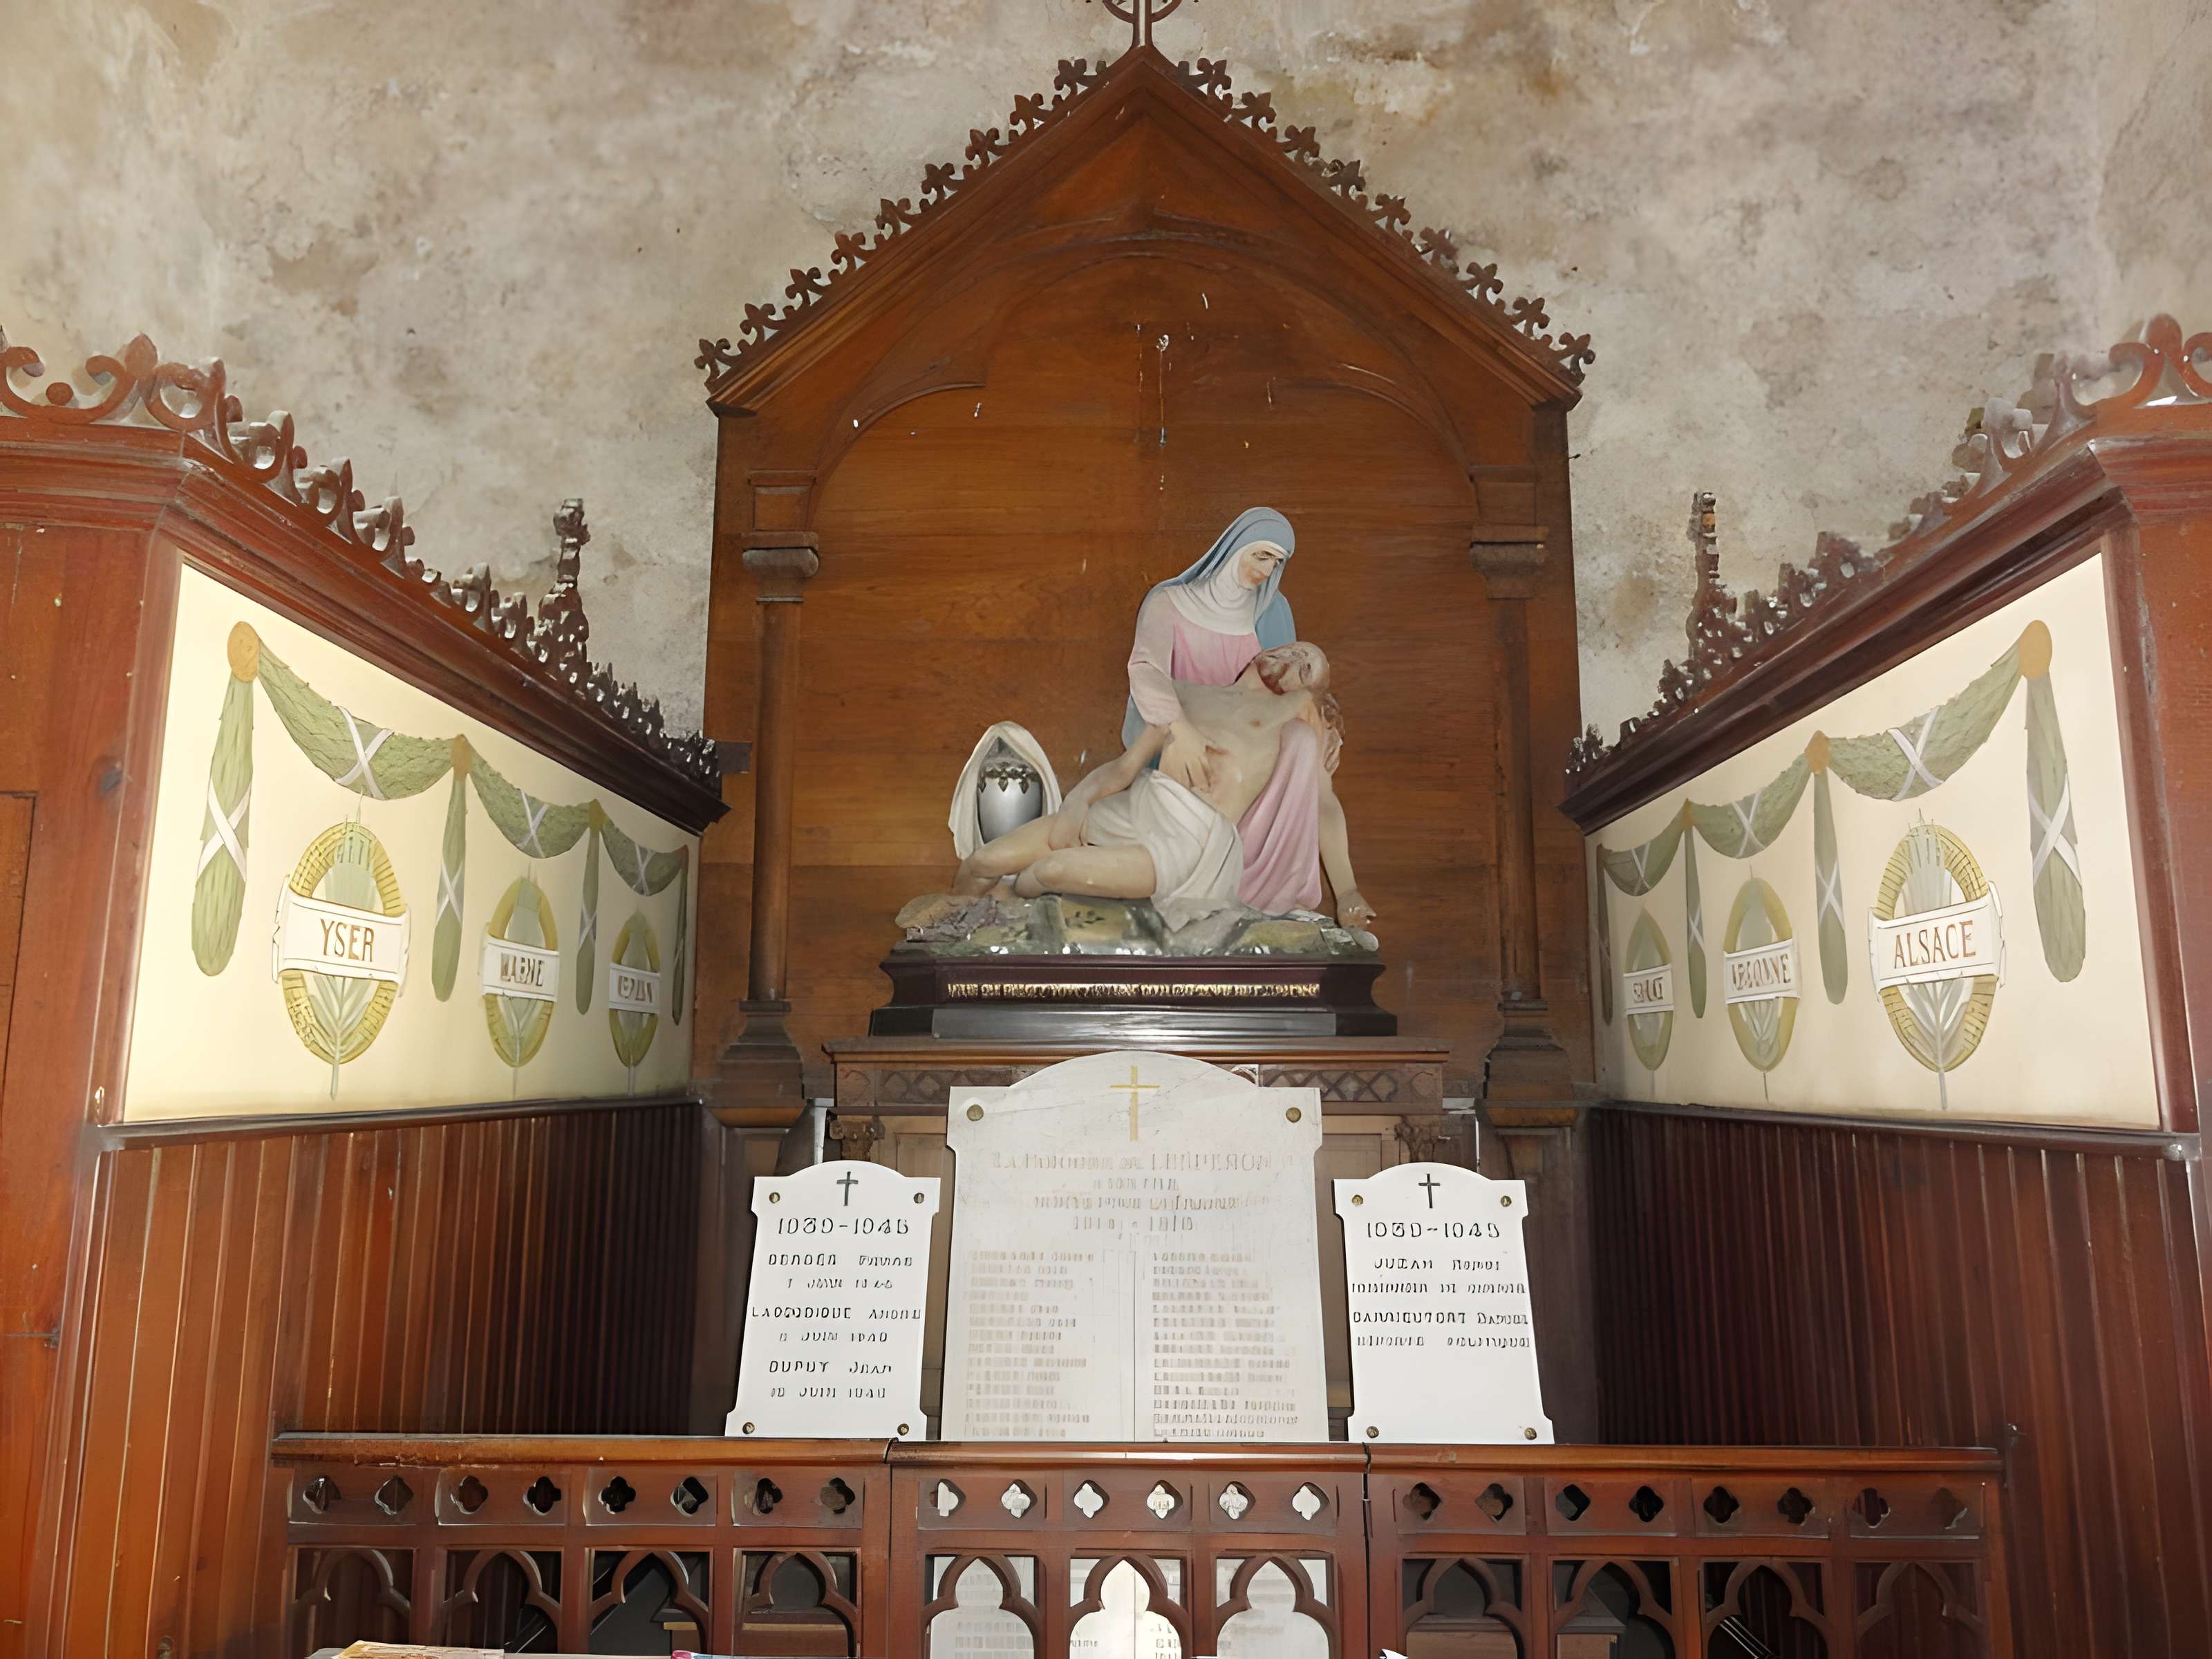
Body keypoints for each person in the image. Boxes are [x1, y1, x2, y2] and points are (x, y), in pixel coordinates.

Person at [959, 644, 1373, 933]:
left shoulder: (1294, 709)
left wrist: (1349, 890)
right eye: (1295, 648)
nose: (1294, 657)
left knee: (1047, 871)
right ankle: (948, 929)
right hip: (1136, 803)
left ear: (1308, 691)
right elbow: (1128, 765)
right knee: (983, 860)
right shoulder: (1184, 693)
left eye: (1306, 668)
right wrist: (1080, 800)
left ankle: (1011, 903)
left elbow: (1324, 804)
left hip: (1190, 844)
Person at [1123, 507, 1329, 914]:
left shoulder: (1272, 611)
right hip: (1187, 725)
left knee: (1303, 740)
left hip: (1251, 731)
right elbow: (1146, 670)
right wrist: (1178, 727)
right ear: (1236, 547)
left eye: (1276, 562)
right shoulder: (1170, 601)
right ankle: (1204, 878)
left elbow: (1293, 688)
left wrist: (1325, 723)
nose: (1265, 570)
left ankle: (1269, 891)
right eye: (1260, 555)